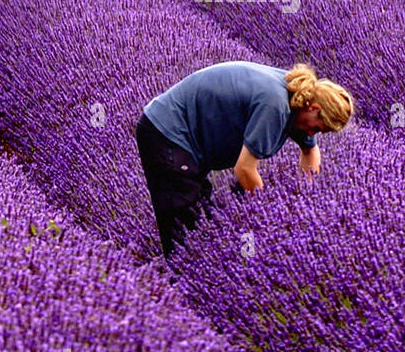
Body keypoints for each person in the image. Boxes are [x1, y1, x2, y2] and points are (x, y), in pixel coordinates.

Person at [135, 61, 354, 257]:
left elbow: (310, 151)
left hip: (187, 139)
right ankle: (179, 288)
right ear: (314, 107)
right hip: (167, 132)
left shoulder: (299, 98)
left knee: (204, 216)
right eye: (317, 128)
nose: (311, 134)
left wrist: (306, 195)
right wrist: (268, 216)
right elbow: (245, 170)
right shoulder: (275, 105)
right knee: (184, 223)